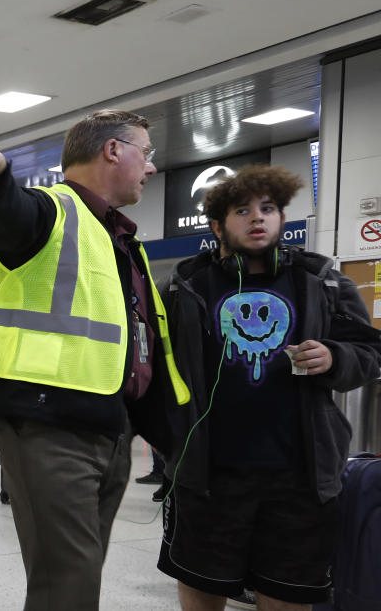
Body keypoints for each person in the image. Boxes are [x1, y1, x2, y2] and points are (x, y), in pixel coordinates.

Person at [0, 110, 191, 610]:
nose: (150, 168)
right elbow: (13, 216)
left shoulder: (120, 242)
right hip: (48, 427)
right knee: (70, 585)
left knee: (75, 581)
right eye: (145, 154)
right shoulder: (53, 212)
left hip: (108, 427)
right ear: (112, 150)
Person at [156, 165, 381, 610]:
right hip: (208, 478)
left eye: (269, 208)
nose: (258, 218)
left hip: (301, 478)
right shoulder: (185, 286)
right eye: (243, 210)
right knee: (201, 591)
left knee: (289, 595)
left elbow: (370, 351)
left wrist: (336, 357)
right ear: (217, 225)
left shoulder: (321, 281)